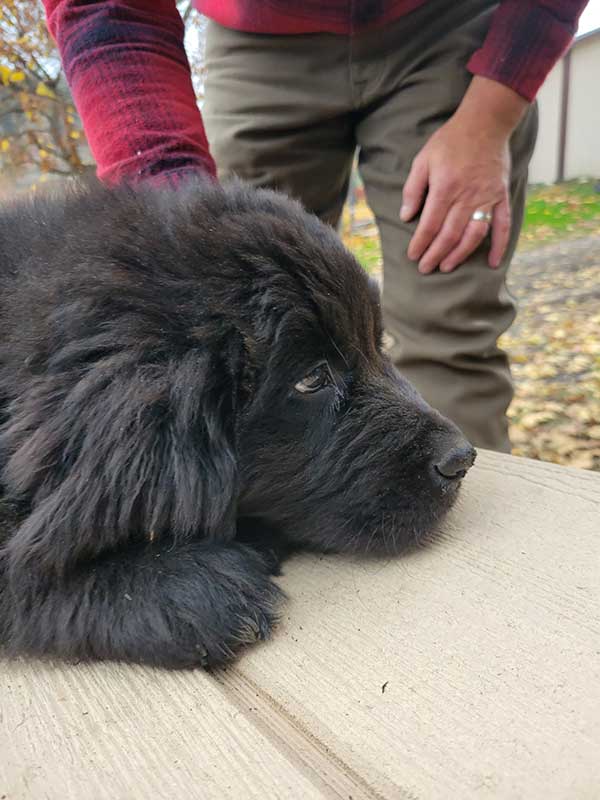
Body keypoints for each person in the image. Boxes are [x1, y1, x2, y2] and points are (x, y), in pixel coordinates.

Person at [43, 0, 588, 452]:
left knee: (448, 317)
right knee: (228, 330)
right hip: (257, 36)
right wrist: (174, 202)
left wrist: (489, 117)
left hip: (450, 24)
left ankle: (475, 564)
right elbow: (105, 7)